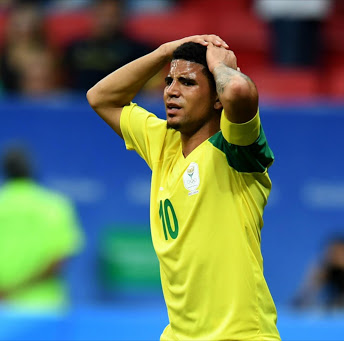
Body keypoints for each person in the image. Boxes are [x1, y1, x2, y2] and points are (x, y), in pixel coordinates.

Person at [87, 34, 279, 340]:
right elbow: (100, 97)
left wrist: (221, 67)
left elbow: (240, 90)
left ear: (217, 95)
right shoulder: (162, 142)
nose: (171, 92)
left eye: (187, 83)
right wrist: (164, 52)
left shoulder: (236, 151)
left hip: (240, 335)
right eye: (168, 82)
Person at [0, 147, 84, 311]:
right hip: (45, 309)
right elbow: (58, 261)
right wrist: (19, 290)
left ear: (2, 172)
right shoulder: (56, 206)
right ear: (31, 170)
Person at [63, 0, 151, 91]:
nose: (107, 22)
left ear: (122, 17)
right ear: (91, 15)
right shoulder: (73, 49)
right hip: (78, 103)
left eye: (112, 16)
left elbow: (150, 90)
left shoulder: (139, 51)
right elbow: (59, 86)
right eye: (102, 15)